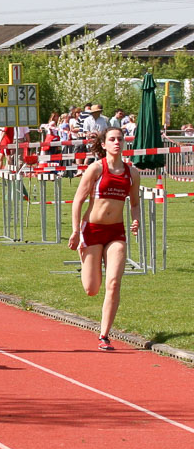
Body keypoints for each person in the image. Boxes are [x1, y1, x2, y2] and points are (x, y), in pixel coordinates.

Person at [68, 127, 140, 351]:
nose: (117, 142)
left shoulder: (132, 173)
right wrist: (75, 231)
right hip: (93, 230)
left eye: (120, 139)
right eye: (112, 139)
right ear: (105, 144)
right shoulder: (96, 168)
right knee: (92, 289)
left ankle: (104, 335)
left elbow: (135, 204)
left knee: (114, 283)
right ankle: (85, 256)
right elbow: (78, 200)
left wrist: (135, 220)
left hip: (116, 233)